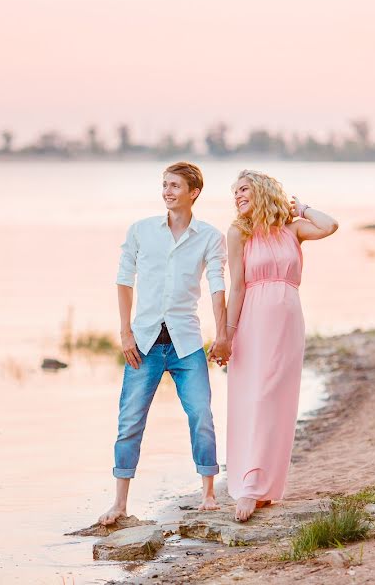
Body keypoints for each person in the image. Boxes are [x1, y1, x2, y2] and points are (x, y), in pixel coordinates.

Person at [98, 161, 231, 525]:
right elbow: (124, 281)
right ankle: (120, 503)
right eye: (164, 185)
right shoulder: (141, 231)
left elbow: (218, 286)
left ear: (194, 192)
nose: (167, 191)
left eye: (175, 186)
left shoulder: (210, 236)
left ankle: (208, 494)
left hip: (187, 343)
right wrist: (124, 332)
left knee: (201, 415)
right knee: (130, 421)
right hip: (143, 343)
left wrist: (223, 335)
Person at [224, 169, 338, 522]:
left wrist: (301, 207)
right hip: (253, 322)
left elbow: (330, 225)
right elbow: (237, 287)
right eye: (235, 192)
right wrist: (227, 335)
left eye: (243, 189)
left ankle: (265, 487)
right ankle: (248, 485)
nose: (238, 196)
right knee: (253, 397)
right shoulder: (238, 233)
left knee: (277, 400)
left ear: (261, 191)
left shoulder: (293, 230)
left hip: (287, 322)